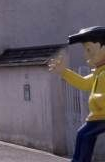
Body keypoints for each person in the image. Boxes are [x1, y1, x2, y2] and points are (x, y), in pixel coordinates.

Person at [49, 26, 105, 162]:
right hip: (97, 116)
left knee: (86, 135)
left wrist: (97, 99)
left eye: (89, 50)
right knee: (82, 134)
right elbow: (83, 83)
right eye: (85, 50)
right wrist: (64, 72)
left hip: (102, 115)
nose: (85, 55)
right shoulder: (99, 73)